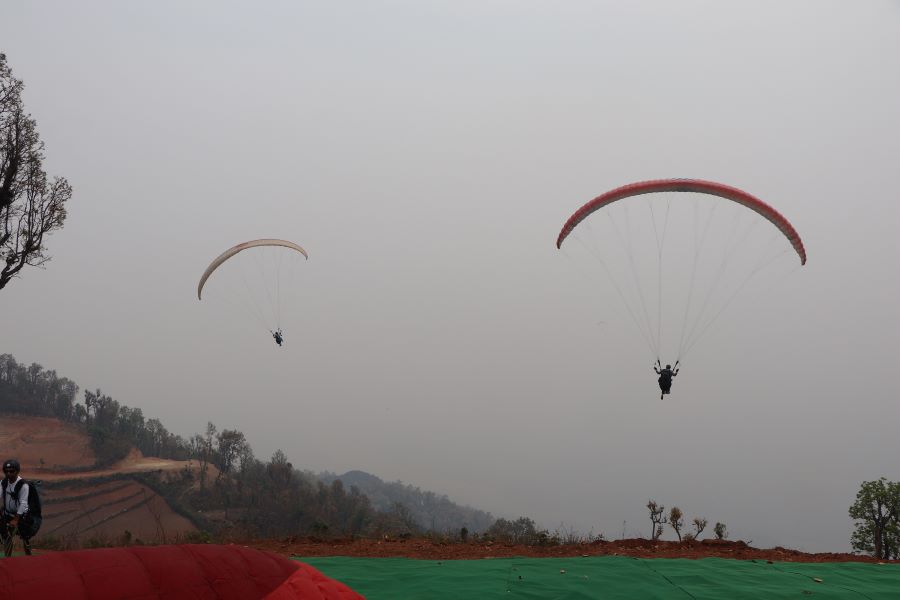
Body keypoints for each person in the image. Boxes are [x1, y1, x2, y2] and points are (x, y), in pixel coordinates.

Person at [1, 459, 40, 556]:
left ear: (17, 471)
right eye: (6, 471)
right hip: (8, 514)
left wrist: (16, 519)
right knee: (7, 536)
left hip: (22, 516)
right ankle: (8, 560)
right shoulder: (3, 483)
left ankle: (29, 558)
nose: (9, 473)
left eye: (11, 471)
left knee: (25, 537)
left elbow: (23, 503)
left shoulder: (23, 485)